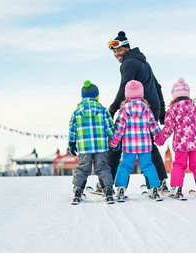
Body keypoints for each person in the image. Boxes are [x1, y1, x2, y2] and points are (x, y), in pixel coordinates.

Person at [104, 31, 168, 192]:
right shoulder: (144, 62)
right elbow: (157, 86)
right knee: (147, 144)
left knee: (116, 144)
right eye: (114, 52)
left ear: (127, 48)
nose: (116, 54)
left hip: (137, 106)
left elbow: (124, 87)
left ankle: (108, 183)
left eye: (119, 50)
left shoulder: (129, 63)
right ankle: (159, 181)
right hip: (150, 107)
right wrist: (161, 110)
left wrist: (112, 108)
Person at [155, 78, 196, 198]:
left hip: (181, 143)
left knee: (179, 165)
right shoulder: (195, 108)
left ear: (174, 95)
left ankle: (176, 189)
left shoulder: (173, 110)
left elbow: (169, 127)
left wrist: (161, 138)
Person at [110, 80, 162, 201]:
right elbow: (153, 126)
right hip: (145, 145)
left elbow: (119, 129)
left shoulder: (123, 111)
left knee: (125, 166)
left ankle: (121, 188)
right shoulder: (147, 109)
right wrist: (159, 137)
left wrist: (114, 142)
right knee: (148, 166)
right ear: (141, 94)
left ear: (127, 95)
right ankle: (154, 189)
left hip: (129, 146)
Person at [69, 80, 115, 204]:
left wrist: (71, 142)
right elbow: (109, 127)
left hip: (85, 147)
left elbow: (72, 128)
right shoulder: (103, 110)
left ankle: (78, 190)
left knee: (83, 168)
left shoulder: (77, 111)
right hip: (101, 146)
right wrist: (114, 140)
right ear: (97, 96)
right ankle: (108, 191)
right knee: (103, 168)